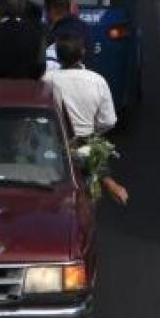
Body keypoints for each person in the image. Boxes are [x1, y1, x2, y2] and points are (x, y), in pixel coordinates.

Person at [43, 36, 128, 205]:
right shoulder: (97, 81)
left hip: (52, 150)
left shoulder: (47, 79)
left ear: (58, 57)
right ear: (82, 53)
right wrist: (90, 129)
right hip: (87, 150)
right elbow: (109, 121)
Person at [0, 0, 46, 80]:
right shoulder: (35, 33)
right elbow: (40, 66)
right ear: (22, 8)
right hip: (26, 89)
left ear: (0, 8)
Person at [44, 0, 92, 66]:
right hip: (85, 73)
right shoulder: (85, 27)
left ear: (52, 10)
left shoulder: (55, 34)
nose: (45, 15)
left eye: (46, 10)